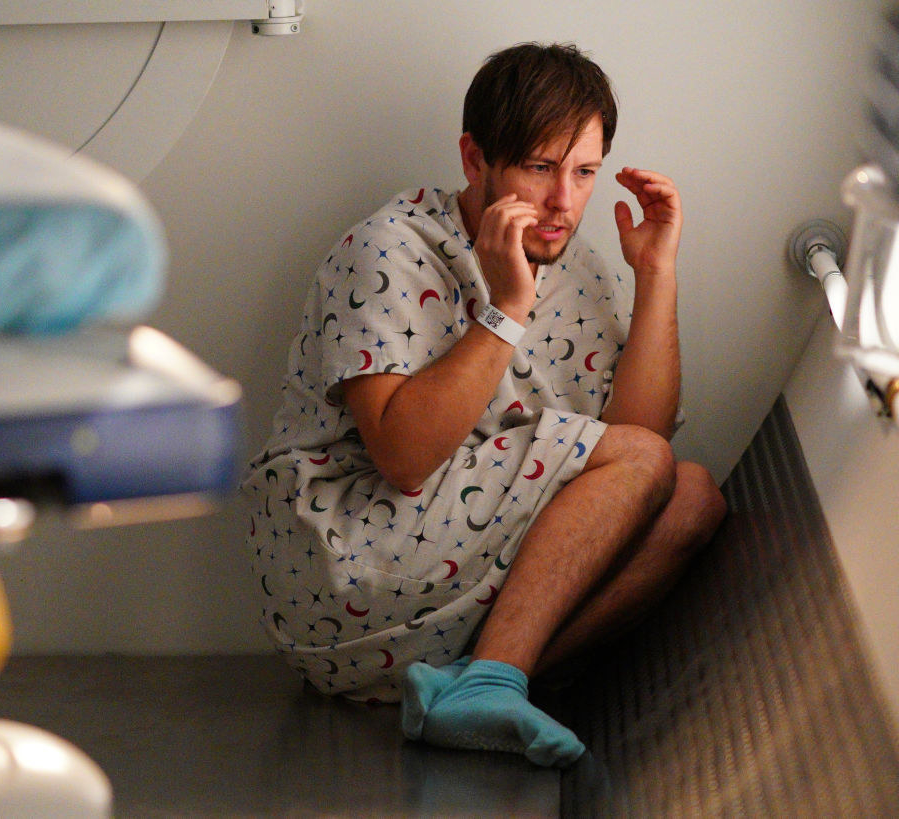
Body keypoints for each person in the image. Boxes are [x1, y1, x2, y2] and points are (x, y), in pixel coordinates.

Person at [242, 41, 727, 767]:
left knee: (691, 498)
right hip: (345, 569)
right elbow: (403, 459)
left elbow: (638, 454)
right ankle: (492, 679)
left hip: (446, 577)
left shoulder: (575, 264)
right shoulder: (388, 249)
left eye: (585, 172)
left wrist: (656, 275)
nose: (564, 201)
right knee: (651, 466)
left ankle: (481, 683)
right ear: (475, 160)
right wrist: (503, 309)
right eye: (539, 167)